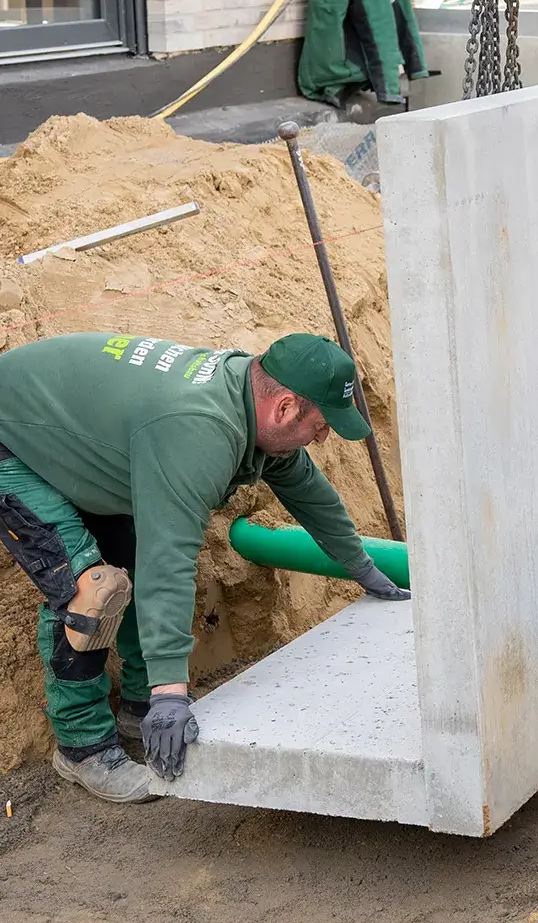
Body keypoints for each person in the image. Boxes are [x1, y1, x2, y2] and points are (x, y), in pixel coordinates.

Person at [0, 330, 408, 804]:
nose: (322, 437)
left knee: (130, 557)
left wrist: (362, 567)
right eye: (320, 426)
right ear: (286, 408)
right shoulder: (199, 430)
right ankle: (82, 748)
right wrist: (173, 693)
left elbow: (308, 491)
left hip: (68, 434)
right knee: (91, 590)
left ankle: (139, 704)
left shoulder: (249, 399)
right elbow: (168, 562)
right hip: (11, 444)